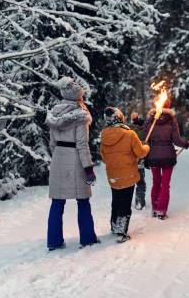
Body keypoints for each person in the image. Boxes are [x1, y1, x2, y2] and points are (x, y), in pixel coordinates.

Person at [45, 77, 99, 251]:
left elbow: (51, 143)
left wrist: (59, 154)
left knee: (57, 202)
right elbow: (82, 144)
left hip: (58, 157)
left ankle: (53, 241)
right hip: (75, 158)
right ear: (78, 97)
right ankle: (88, 238)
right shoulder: (81, 115)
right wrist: (88, 168)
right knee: (83, 200)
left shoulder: (53, 113)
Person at [100, 107, 150, 243]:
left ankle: (114, 225)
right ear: (120, 117)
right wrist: (146, 146)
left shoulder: (104, 135)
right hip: (128, 175)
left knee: (116, 201)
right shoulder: (130, 134)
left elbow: (104, 157)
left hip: (113, 175)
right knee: (125, 203)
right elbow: (140, 153)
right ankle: (122, 231)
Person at [143, 98, 189, 220]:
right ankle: (161, 210)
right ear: (168, 106)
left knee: (156, 182)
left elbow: (145, 136)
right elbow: (176, 140)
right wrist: (185, 144)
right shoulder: (171, 120)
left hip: (153, 155)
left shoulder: (151, 119)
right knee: (165, 184)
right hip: (168, 156)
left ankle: (155, 208)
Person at [128, 112, 147, 210]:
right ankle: (139, 202)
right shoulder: (143, 130)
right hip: (139, 161)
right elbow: (146, 144)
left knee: (129, 182)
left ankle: (128, 202)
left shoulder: (127, 130)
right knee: (140, 183)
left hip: (129, 161)